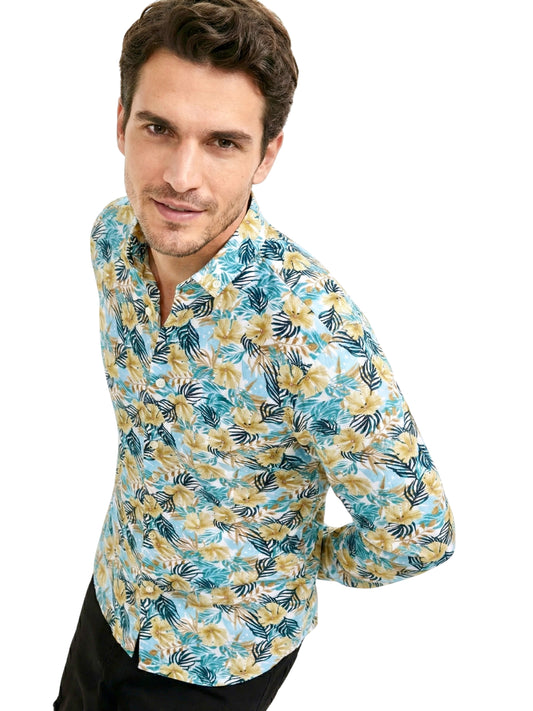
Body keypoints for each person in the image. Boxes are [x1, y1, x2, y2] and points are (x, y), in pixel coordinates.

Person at [54, 1, 455, 709]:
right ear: (120, 123)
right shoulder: (112, 240)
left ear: (267, 155)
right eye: (158, 128)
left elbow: (416, 532)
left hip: (221, 659)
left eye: (222, 143)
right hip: (115, 596)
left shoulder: (311, 332)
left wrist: (295, 558)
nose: (181, 176)